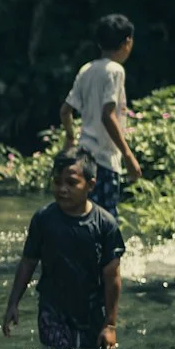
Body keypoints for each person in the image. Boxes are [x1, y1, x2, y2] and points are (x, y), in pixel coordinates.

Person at [2, 147, 125, 349]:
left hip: (92, 311)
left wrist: (110, 325)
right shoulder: (43, 220)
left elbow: (112, 277)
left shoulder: (105, 225)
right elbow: (28, 262)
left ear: (90, 185)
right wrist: (13, 303)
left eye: (71, 183)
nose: (62, 189)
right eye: (57, 182)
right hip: (53, 310)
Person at [60, 13, 142, 219]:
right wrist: (128, 155)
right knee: (106, 222)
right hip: (105, 160)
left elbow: (65, 111)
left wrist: (70, 137)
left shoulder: (86, 69)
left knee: (85, 218)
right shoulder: (115, 71)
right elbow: (108, 116)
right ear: (127, 42)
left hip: (83, 157)